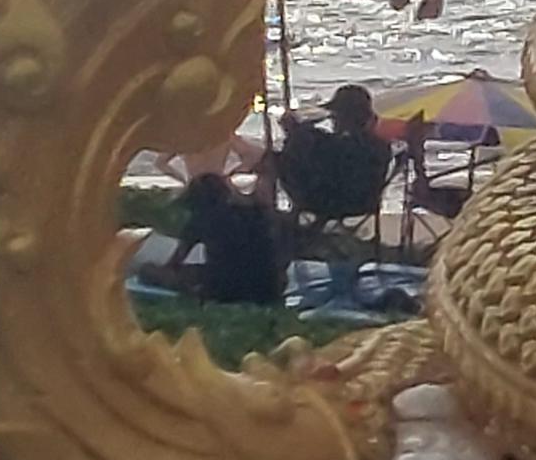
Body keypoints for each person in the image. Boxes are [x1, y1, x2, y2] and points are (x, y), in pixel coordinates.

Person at [280, 80, 393, 235]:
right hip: (363, 203)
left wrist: (296, 133)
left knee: (280, 160)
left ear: (347, 117)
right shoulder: (379, 146)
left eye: (336, 115)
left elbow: (329, 150)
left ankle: (279, 226)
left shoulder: (344, 147)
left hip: (330, 202)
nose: (333, 120)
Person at [165, 168, 283, 305]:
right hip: (267, 289)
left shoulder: (200, 220)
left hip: (224, 290)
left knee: (152, 271)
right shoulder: (256, 215)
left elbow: (174, 262)